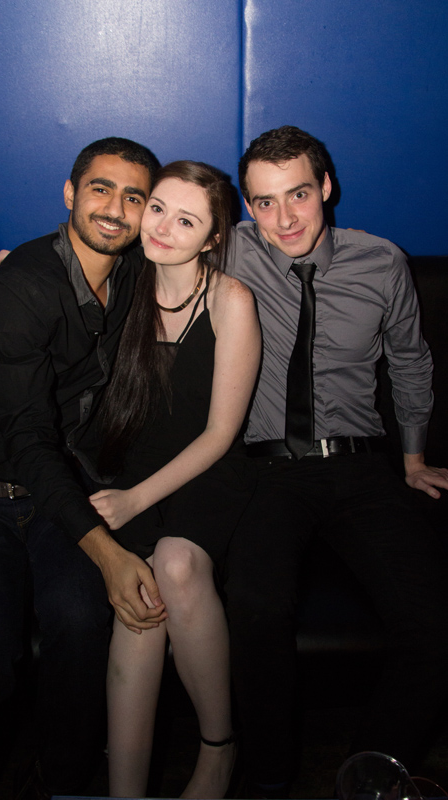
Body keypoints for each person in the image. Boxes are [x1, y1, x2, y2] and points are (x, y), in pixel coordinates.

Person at [0, 137, 166, 800]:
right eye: (100, 188)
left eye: (134, 197)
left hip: (69, 494)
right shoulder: (17, 286)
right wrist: (108, 554)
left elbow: (212, 243)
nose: (115, 208)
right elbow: (29, 439)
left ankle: (63, 781)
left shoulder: (137, 272)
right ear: (69, 193)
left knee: (81, 626)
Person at [224, 125, 448, 797]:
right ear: (247, 207)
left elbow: (410, 361)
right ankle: (266, 781)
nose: (284, 219)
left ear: (325, 186)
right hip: (265, 468)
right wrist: (12, 269)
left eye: (298, 194)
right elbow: (127, 241)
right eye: (264, 202)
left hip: (358, 465)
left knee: (434, 624)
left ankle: (369, 777)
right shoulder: (227, 249)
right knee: (254, 608)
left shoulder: (381, 261)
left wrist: (412, 458)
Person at [89, 160, 261, 798]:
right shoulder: (119, 280)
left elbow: (220, 435)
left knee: (177, 564)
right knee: (138, 601)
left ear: (213, 238)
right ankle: (124, 790)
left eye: (186, 221)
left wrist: (134, 501)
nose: (161, 227)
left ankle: (218, 748)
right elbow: (49, 271)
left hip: (206, 471)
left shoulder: (230, 300)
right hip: (131, 469)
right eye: (156, 208)